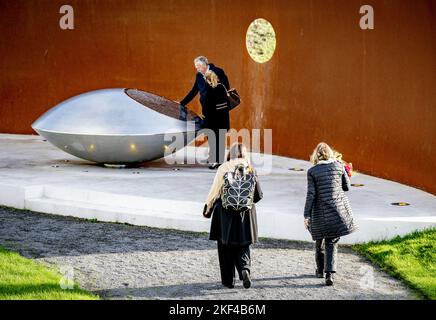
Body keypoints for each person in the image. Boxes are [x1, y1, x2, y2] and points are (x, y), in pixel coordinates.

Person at [203, 143, 263, 289]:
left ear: (231, 154)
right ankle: (244, 269)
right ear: (244, 154)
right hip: (246, 215)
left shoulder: (223, 168)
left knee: (225, 247)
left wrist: (207, 208)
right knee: (243, 245)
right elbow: (258, 195)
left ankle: (228, 281)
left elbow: (215, 191)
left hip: (225, 213)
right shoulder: (250, 168)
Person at [303, 142, 357, 286]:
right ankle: (329, 275)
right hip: (337, 212)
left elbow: (311, 194)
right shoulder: (339, 167)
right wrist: (345, 172)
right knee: (331, 242)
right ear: (330, 153)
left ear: (316, 155)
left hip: (319, 214)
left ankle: (320, 270)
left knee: (320, 240)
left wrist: (306, 215)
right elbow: (346, 187)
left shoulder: (312, 171)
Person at [180, 56, 230, 169]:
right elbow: (194, 91)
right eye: (196, 66)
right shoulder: (198, 76)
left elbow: (227, 87)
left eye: (198, 66)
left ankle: (218, 161)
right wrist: (181, 103)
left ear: (205, 64)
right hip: (207, 111)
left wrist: (215, 84)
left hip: (219, 110)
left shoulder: (218, 71)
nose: (197, 68)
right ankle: (214, 157)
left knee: (219, 135)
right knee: (210, 134)